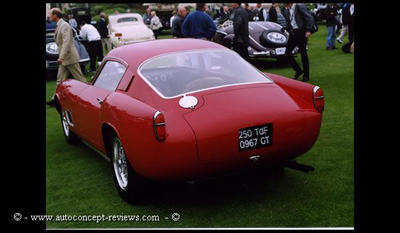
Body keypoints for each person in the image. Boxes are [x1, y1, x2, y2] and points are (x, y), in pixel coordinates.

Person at [46, 8, 87, 107]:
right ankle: (55, 100)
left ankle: (91, 96)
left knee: (80, 79)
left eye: (50, 14)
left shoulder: (64, 25)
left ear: (55, 15)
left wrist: (61, 57)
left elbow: (66, 42)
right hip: (65, 58)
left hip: (69, 57)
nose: (49, 16)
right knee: (60, 80)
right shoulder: (59, 25)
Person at [282, 3, 314, 82]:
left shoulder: (299, 6)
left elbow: (309, 18)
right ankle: (298, 70)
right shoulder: (286, 10)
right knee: (287, 54)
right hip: (293, 33)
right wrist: (285, 27)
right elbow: (290, 22)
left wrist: (308, 30)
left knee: (303, 54)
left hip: (301, 32)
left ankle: (306, 75)